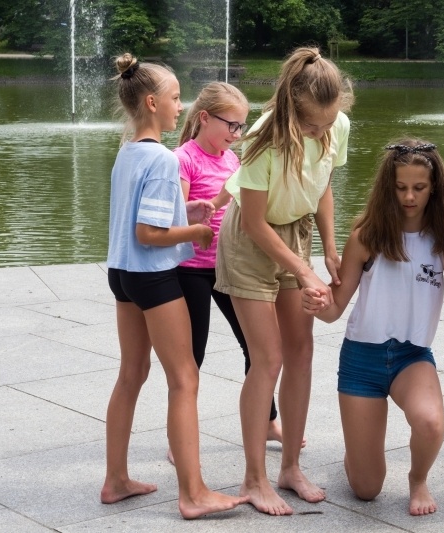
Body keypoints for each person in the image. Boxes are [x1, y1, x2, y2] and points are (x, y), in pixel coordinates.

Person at [100, 53, 247, 519]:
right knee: (184, 378)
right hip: (153, 274)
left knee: (132, 374)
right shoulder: (164, 159)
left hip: (121, 275)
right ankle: (193, 492)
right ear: (151, 102)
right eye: (176, 98)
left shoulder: (128, 151)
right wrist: (197, 233)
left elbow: (138, 224)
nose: (181, 106)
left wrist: (188, 214)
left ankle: (116, 479)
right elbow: (150, 234)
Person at [301, 139, 444, 515]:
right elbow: (333, 310)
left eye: (419, 188)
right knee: (366, 489)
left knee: (430, 423)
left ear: (435, 188)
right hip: (361, 360)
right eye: (400, 188)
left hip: (411, 358)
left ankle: (418, 479)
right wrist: (316, 303)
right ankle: (358, 449)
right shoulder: (366, 238)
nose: (409, 197)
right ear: (388, 187)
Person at [214, 46, 352, 516]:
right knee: (267, 358)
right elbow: (253, 223)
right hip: (252, 241)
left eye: (328, 123)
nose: (321, 132)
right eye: (313, 126)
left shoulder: (335, 124)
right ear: (293, 110)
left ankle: (290, 467)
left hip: (297, 232)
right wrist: (303, 268)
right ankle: (254, 479)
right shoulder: (264, 137)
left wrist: (329, 249)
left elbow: (324, 184)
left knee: (301, 351)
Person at [169, 82, 290, 464]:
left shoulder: (234, 161)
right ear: (204, 118)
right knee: (192, 356)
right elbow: (178, 212)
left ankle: (268, 421)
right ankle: (179, 438)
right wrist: (198, 209)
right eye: (231, 126)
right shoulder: (183, 158)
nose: (237, 135)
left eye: (241, 127)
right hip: (190, 269)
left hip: (229, 267)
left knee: (258, 348)